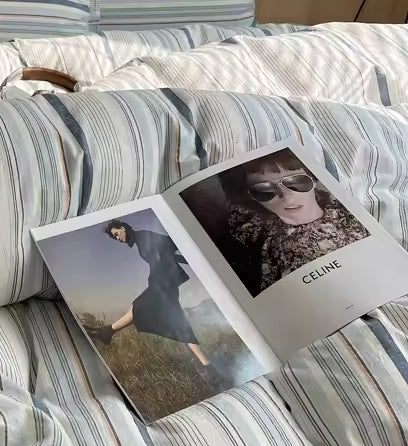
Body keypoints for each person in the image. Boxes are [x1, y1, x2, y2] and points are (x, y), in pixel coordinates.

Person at [220, 149, 369, 293]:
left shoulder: (353, 211)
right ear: (252, 196)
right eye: (265, 190)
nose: (287, 197)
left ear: (314, 179)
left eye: (296, 182)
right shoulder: (252, 228)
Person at [86, 220, 209, 367]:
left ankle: (106, 332)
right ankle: (208, 365)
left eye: (117, 234)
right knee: (176, 321)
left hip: (164, 284)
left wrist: (195, 257)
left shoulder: (144, 236)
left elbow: (170, 243)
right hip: (163, 283)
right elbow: (169, 255)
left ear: (123, 228)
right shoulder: (140, 241)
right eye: (115, 238)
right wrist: (191, 262)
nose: (118, 239)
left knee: (139, 306)